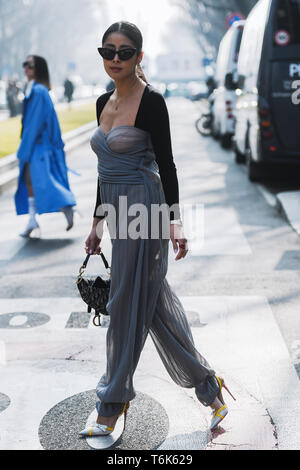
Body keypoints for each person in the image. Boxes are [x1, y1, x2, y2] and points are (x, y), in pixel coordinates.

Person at [80, 21, 236, 438]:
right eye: (108, 51)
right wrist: (96, 222)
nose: (115, 59)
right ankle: (210, 387)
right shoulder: (101, 102)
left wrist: (176, 221)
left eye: (124, 52)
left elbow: (166, 165)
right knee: (153, 306)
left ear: (139, 57)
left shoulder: (152, 102)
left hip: (144, 210)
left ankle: (111, 404)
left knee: (125, 304)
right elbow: (103, 171)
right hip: (116, 211)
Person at [15, 55, 77, 238]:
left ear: (38, 69)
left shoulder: (39, 91)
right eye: (24, 65)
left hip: (38, 145)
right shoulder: (34, 89)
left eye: (30, 66)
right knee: (32, 181)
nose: (26, 69)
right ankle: (33, 220)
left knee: (43, 181)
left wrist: (24, 149)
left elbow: (35, 123)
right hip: (36, 144)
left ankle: (66, 205)